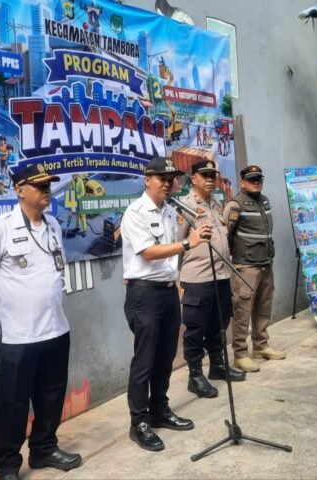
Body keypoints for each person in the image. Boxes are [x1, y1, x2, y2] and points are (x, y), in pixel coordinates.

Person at [0, 164, 82, 480]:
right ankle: (7, 465)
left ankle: (44, 448)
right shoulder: (1, 227)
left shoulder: (54, 226)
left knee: (51, 395)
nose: (46, 189)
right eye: (39, 185)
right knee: (11, 403)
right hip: (15, 335)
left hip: (55, 329)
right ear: (20, 190)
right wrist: (2, 292)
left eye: (48, 185)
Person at [121, 156, 209, 452]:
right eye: (162, 178)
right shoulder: (135, 212)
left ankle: (160, 409)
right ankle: (139, 422)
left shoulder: (171, 212)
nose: (168, 183)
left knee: (166, 356)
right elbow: (147, 252)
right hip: (144, 294)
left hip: (168, 292)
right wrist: (188, 244)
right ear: (147, 180)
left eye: (172, 179)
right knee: (144, 360)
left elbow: (170, 258)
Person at [177, 160, 246, 400]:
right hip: (198, 278)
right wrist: (178, 279)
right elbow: (177, 244)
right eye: (204, 175)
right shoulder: (185, 206)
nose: (210, 179)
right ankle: (195, 376)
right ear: (193, 178)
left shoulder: (217, 204)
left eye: (212, 175)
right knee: (196, 329)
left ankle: (217, 366)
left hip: (221, 275)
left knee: (219, 324)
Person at [223, 165, 285, 373]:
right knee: (243, 311)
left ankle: (261, 346)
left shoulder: (264, 200)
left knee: (263, 307)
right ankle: (240, 354)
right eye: (251, 179)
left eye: (258, 178)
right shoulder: (235, 204)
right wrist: (236, 261)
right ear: (242, 182)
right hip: (246, 266)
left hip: (266, 263)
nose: (256, 182)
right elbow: (226, 236)